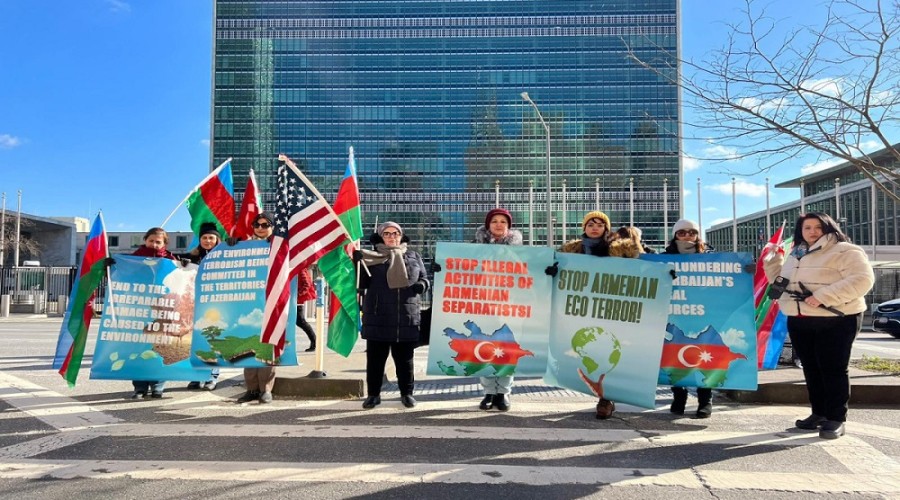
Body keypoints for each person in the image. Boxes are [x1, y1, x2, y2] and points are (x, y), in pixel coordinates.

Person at [763, 212, 873, 440]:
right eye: (807, 228)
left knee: (833, 369)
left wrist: (824, 295)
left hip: (837, 318)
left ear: (828, 227)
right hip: (801, 318)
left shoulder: (846, 251)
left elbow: (862, 279)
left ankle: (836, 418)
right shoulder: (796, 253)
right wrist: (773, 262)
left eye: (817, 226)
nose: (812, 231)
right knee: (811, 369)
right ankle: (819, 413)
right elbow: (780, 283)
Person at [356, 221, 429, 409]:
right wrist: (356, 262)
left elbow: (424, 278)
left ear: (401, 235)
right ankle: (373, 394)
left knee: (405, 360)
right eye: (387, 234)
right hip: (378, 316)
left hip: (405, 316)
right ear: (381, 237)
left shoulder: (413, 256)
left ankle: (407, 394)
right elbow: (361, 284)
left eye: (395, 233)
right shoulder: (370, 258)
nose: (391, 237)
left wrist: (423, 285)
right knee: (375, 360)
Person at [559, 211, 619, 419]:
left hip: (610, 307)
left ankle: (606, 399)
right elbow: (559, 271)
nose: (595, 228)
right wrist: (552, 270)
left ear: (606, 229)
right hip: (581, 307)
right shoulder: (570, 250)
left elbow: (644, 265)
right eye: (591, 224)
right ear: (584, 228)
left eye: (600, 225)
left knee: (608, 350)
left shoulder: (619, 251)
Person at [473, 208, 523, 411]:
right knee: (484, 347)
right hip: (483, 305)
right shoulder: (474, 248)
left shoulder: (519, 251)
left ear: (509, 226)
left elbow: (528, 273)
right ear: (488, 225)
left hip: (509, 306)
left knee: (507, 349)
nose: (499, 225)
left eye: (503, 221)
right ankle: (488, 393)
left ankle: (503, 393)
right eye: (494, 221)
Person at [665, 219, 715, 418]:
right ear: (675, 236)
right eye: (682, 233)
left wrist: (747, 270)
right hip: (675, 312)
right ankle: (679, 396)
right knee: (673, 355)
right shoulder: (664, 258)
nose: (687, 236)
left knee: (704, 354)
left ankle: (705, 398)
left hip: (704, 313)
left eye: (691, 232)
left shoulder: (711, 257)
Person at [129, 227, 178, 400]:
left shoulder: (171, 260)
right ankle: (139, 387)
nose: (154, 244)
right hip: (140, 310)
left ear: (164, 243)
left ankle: (158, 386)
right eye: (151, 240)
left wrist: (185, 267)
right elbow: (124, 276)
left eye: (159, 242)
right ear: (145, 240)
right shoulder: (133, 259)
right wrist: (112, 266)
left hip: (163, 310)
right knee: (140, 347)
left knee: (160, 346)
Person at [236, 212, 278, 404]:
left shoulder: (278, 246)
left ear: (272, 227)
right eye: (257, 224)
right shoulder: (244, 246)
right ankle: (251, 389)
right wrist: (232, 246)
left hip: (270, 302)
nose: (260, 228)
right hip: (248, 304)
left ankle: (266, 389)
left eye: (265, 224)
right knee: (248, 346)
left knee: (267, 348)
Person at [182, 222, 221, 391]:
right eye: (204, 237)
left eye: (211, 237)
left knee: (212, 342)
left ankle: (212, 377)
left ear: (217, 240)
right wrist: (181, 264)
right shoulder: (192, 258)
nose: (207, 240)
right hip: (195, 306)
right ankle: (196, 377)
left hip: (216, 307)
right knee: (195, 343)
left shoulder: (225, 256)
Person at [296, 266, 317, 352]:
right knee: (299, 322)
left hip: (297, 301)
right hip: (293, 301)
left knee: (300, 322)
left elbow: (306, 284)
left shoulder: (300, 269)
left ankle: (314, 341)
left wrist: (297, 295)